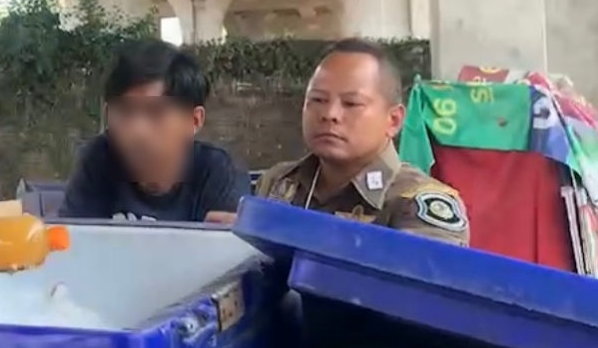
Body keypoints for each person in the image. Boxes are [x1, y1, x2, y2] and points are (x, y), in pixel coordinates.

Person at [209, 38, 469, 246]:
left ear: (393, 120)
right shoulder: (278, 183)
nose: (330, 114)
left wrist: (277, 235)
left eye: (351, 104)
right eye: (318, 100)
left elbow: (421, 278)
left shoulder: (419, 202)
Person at [59, 39, 250, 222]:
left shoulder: (218, 172)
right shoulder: (97, 161)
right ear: (108, 114)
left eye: (156, 112)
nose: (138, 132)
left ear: (194, 120)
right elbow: (73, 245)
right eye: (125, 112)